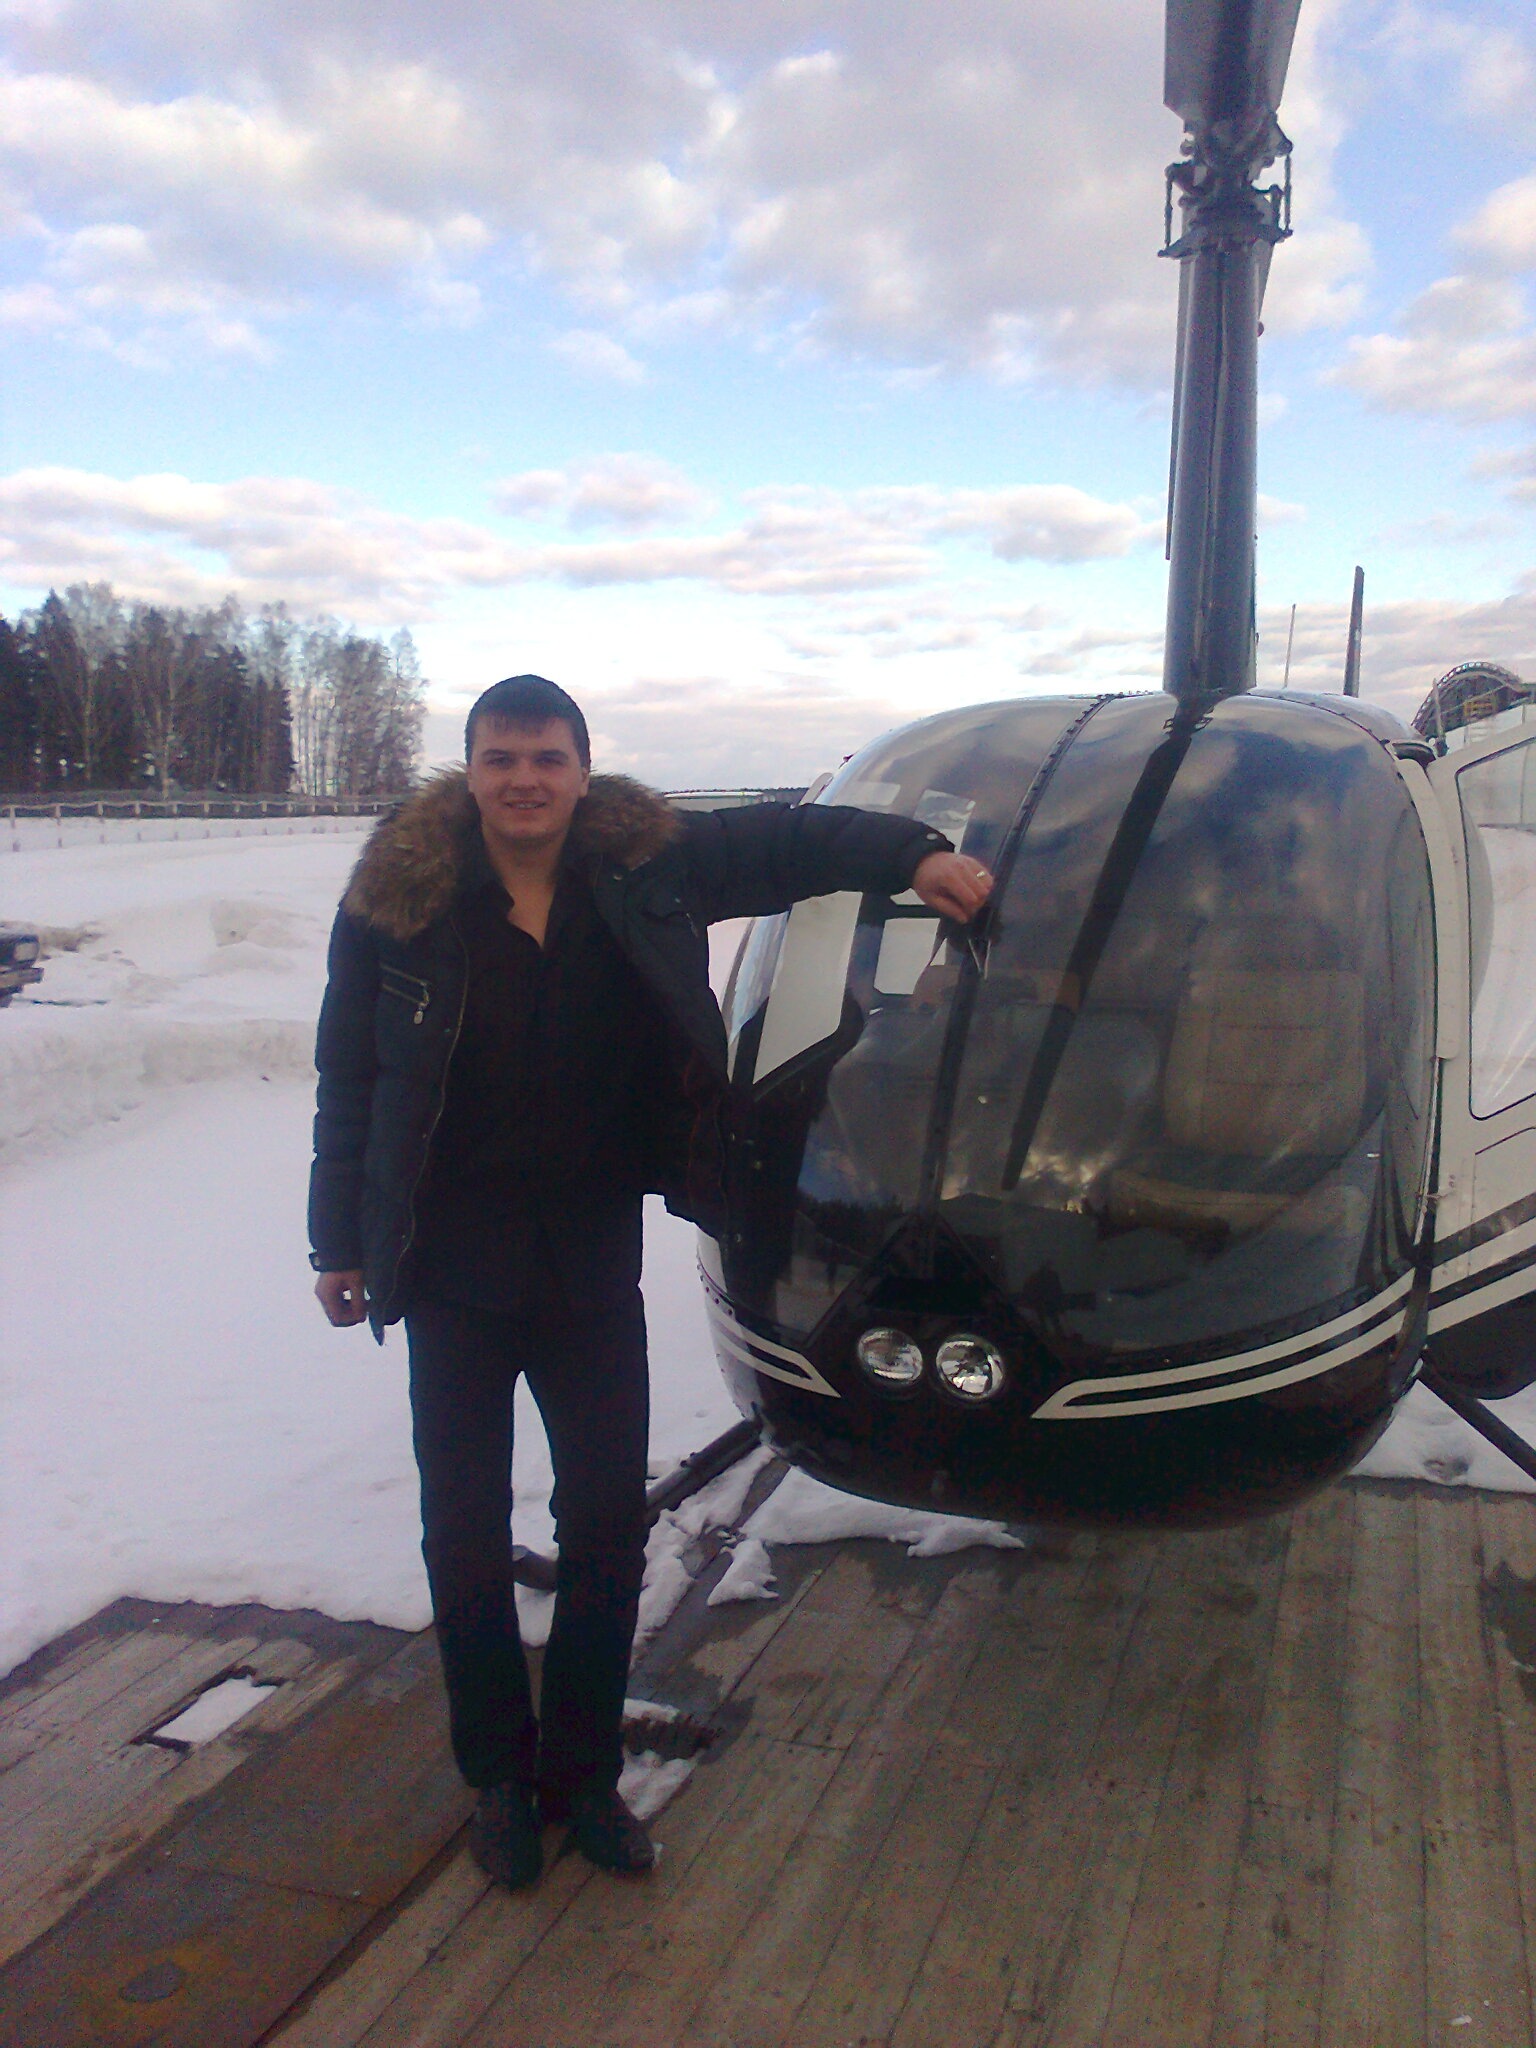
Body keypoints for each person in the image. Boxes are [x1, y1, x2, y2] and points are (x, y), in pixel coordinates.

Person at [308, 674, 993, 1890]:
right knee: (461, 1528)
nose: (525, 778)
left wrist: (917, 855)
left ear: (582, 770)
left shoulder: (647, 864)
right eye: (502, 756)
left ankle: (582, 1774)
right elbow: (349, 1077)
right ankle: (499, 1777)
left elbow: (790, 840)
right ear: (470, 769)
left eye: (548, 757)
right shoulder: (400, 900)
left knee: (603, 1523)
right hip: (453, 1264)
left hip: (586, 1257)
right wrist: (338, 1242)